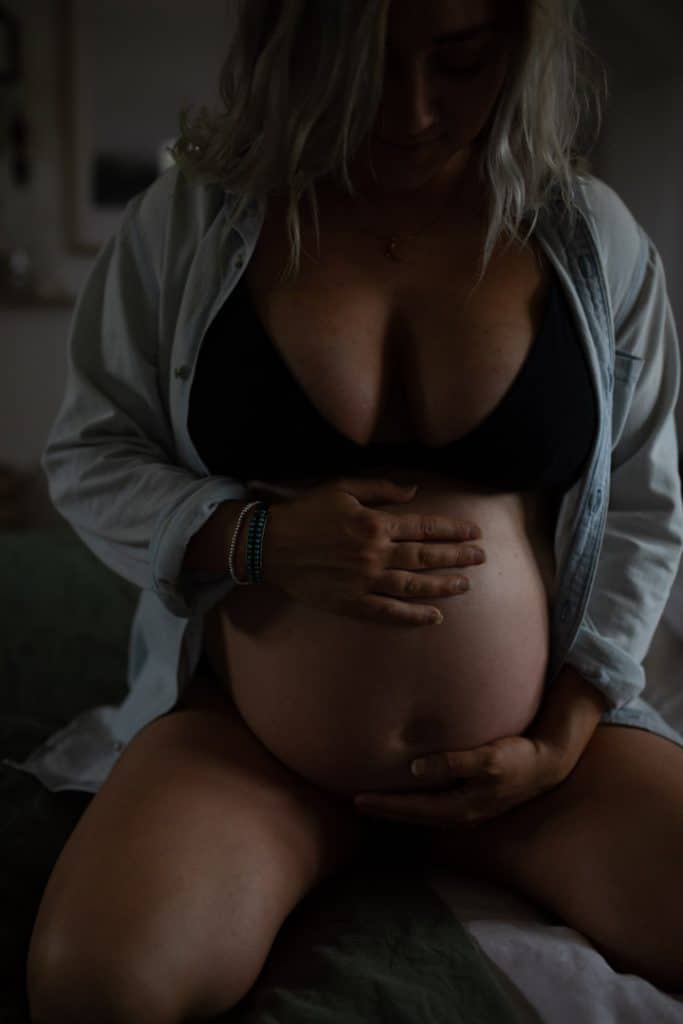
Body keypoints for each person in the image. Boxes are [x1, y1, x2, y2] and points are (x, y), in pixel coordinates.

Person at [13, 0, 683, 1018]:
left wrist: (560, 731)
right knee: (92, 986)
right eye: (365, 66)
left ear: (517, 40)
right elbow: (89, 452)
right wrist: (256, 539)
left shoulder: (590, 238)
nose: (409, 112)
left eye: (457, 61)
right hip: (256, 752)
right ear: (296, 45)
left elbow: (641, 499)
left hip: (531, 767)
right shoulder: (195, 216)